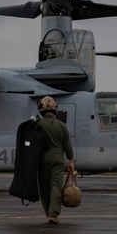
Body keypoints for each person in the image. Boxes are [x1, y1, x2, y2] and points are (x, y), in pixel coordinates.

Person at [34, 96, 75, 225]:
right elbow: (67, 146)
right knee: (56, 187)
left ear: (41, 109)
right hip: (57, 160)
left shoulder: (37, 125)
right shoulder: (62, 126)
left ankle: (48, 213)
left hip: (42, 160)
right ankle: (53, 214)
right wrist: (71, 161)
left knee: (44, 189)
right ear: (55, 109)